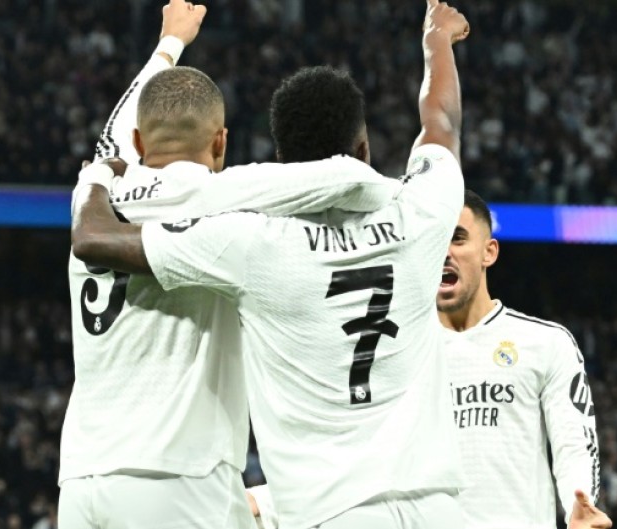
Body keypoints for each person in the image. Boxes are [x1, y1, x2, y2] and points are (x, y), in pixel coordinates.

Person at [70, 1, 472, 527]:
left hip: (320, 510)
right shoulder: (420, 209)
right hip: (433, 506)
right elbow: (441, 124)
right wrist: (436, 39)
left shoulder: (249, 240)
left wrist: (95, 176)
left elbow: (99, 221)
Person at [246, 191, 613, 529]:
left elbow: (574, 444)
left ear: (489, 252)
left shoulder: (545, 343)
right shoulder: (390, 350)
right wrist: (266, 501)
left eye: (458, 238)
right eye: (435, 240)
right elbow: (350, 457)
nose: (444, 251)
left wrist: (578, 505)